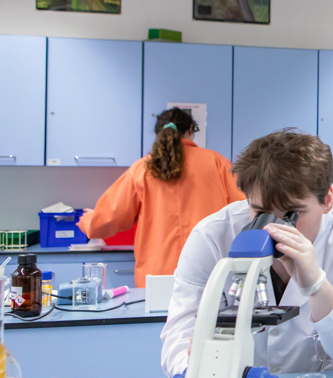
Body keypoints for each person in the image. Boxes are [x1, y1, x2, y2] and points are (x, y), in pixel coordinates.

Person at [160, 130, 333, 376]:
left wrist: (317, 285)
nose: (273, 228)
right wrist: (194, 373)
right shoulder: (211, 237)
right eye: (260, 212)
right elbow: (180, 334)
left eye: (292, 213)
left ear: (327, 200)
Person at [77, 108, 245, 288]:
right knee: (208, 315)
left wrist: (88, 220)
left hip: (155, 278)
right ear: (190, 130)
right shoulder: (217, 162)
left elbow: (110, 217)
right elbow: (244, 210)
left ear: (159, 132)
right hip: (209, 273)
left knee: (156, 317)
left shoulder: (143, 168)